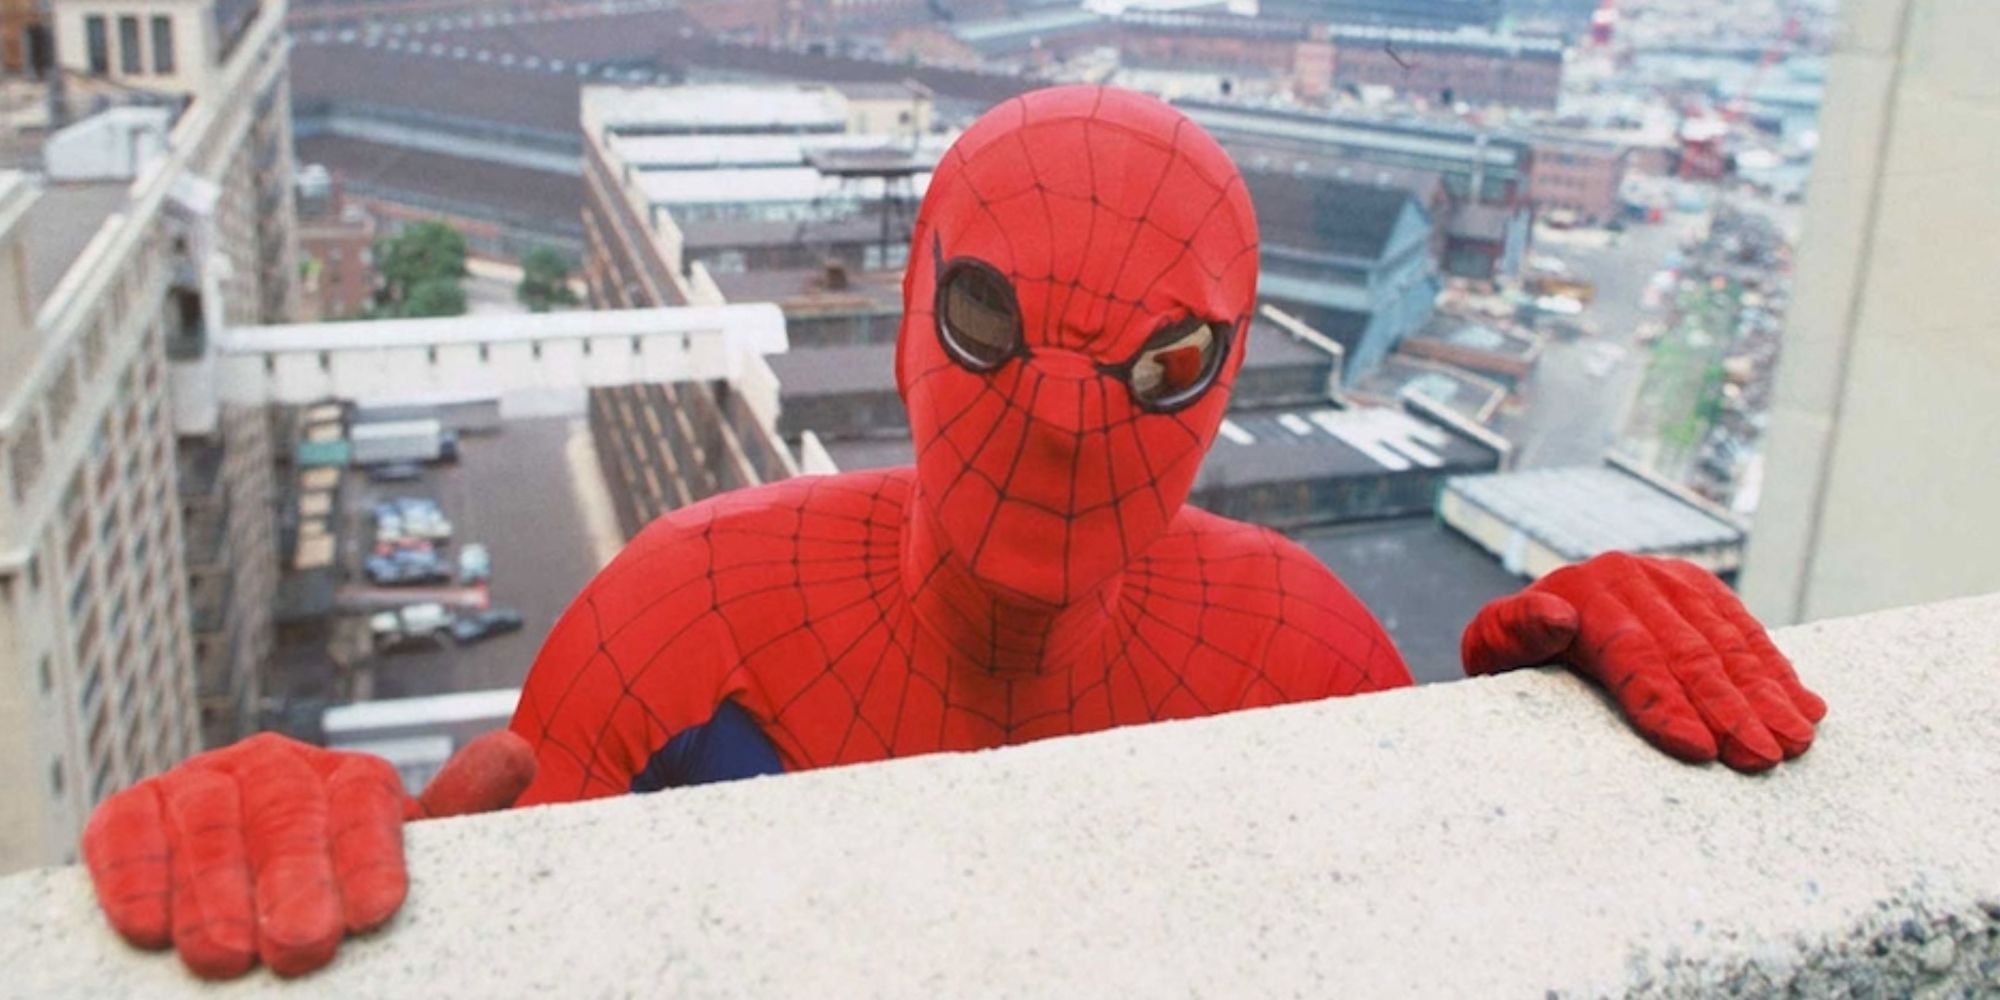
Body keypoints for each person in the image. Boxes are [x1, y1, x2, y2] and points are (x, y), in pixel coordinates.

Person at [81, 86, 1825, 980]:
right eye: (996, 322)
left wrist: (1538, 742)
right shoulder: (682, 618)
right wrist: (354, 852)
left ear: (1226, 386)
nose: (1066, 417)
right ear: (914, 320)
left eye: (1159, 362)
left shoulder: (1313, 661)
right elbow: (480, 915)